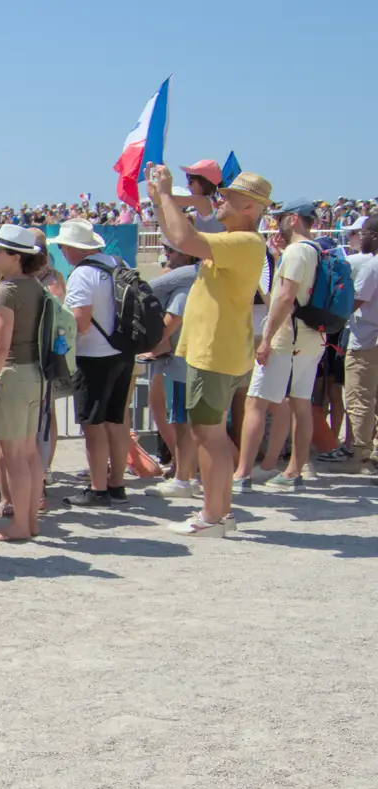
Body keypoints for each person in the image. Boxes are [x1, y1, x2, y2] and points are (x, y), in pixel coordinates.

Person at [146, 165, 273, 537]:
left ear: (249, 207)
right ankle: (220, 513)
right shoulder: (241, 240)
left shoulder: (245, 241)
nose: (220, 200)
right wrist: (160, 202)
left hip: (215, 351)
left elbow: (184, 239)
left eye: (229, 197)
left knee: (208, 436)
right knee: (209, 434)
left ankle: (213, 516)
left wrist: (167, 194)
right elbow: (177, 235)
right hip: (218, 350)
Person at [236, 200, 326, 493]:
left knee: (256, 402)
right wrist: (277, 257)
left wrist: (267, 338)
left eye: (280, 219)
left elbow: (286, 298)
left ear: (294, 219)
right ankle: (293, 472)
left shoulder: (297, 252)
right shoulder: (317, 250)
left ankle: (242, 474)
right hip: (312, 337)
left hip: (287, 339)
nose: (275, 224)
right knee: (301, 403)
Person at [50, 219, 132, 508]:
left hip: (94, 357)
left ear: (73, 248)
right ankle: (117, 484)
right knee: (116, 420)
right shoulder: (116, 263)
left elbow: (81, 323)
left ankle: (97, 489)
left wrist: (59, 309)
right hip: (122, 351)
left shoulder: (83, 274)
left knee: (93, 425)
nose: (61, 250)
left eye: (62, 246)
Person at [0, 226, 47, 542]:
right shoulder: (36, 287)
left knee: (16, 456)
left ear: (16, 257)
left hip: (14, 375)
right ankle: (29, 522)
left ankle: (19, 524)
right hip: (35, 373)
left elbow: (2, 346)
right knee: (29, 454)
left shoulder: (5, 292)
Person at [142, 244, 201, 499]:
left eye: (171, 250)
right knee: (183, 421)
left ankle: (184, 478)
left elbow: (173, 317)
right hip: (183, 357)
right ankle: (185, 471)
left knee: (182, 422)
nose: (167, 253)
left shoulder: (185, 283)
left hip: (181, 359)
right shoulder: (192, 279)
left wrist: (153, 345)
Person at [338, 222, 378, 472]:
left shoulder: (372, 266)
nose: (359, 238)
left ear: (374, 235)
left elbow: (355, 302)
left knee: (359, 398)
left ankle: (362, 458)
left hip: (367, 341)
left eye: (362, 233)